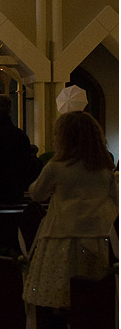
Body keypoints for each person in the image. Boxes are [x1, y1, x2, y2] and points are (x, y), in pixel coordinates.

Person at [23, 111, 118, 310]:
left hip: (63, 236)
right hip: (100, 236)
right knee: (97, 295)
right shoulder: (104, 167)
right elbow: (116, 199)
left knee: (65, 294)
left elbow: (37, 194)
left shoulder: (57, 166)